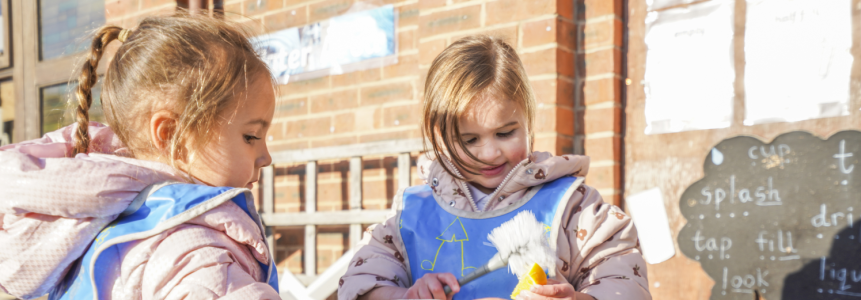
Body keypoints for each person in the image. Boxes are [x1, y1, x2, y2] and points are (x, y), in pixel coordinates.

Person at [338, 35, 652, 300]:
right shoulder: (412, 216)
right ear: (438, 137)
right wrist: (405, 296)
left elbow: (625, 280)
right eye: (469, 139)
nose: (489, 153)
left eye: (505, 133)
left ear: (528, 121)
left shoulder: (574, 207)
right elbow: (359, 283)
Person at [0, 13, 281, 299]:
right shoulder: (195, 253)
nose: (266, 157)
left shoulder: (95, 225)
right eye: (252, 137)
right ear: (171, 134)